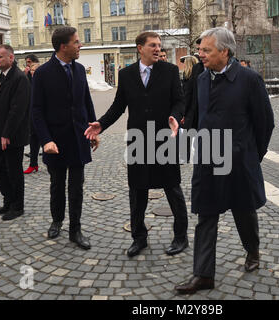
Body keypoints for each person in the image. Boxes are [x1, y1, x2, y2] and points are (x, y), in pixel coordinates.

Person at [175, 27, 274, 295]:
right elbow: (197, 116)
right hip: (207, 161)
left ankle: (252, 250)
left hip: (239, 162)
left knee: (244, 211)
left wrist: (253, 156)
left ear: (224, 51)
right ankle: (203, 275)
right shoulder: (201, 79)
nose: (200, 54)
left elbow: (265, 123)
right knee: (206, 216)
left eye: (206, 50)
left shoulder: (249, 79)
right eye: (200, 49)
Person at [85, 31, 188, 257]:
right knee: (137, 190)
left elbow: (180, 100)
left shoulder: (170, 71)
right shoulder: (127, 74)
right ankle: (139, 238)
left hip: (164, 139)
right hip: (138, 140)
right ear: (139, 48)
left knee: (172, 188)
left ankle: (181, 237)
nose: (157, 49)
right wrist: (100, 125)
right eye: (152, 45)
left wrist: (174, 116)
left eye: (159, 45)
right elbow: (118, 106)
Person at [31, 27, 98, 250]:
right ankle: (57, 220)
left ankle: (75, 230)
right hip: (55, 142)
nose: (80, 45)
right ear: (63, 46)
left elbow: (86, 102)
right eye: (77, 42)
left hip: (78, 137)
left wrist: (93, 129)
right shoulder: (42, 73)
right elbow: (36, 111)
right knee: (57, 184)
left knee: (77, 186)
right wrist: (45, 140)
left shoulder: (79, 70)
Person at [0, 44, 30, 221]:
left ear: (11, 58)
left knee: (13, 171)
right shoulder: (1, 78)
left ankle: (17, 206)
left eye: (0, 57)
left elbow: (17, 110)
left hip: (12, 136)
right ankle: (8, 200)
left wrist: (6, 134)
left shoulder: (19, 78)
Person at [24, 62, 41, 174]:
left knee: (47, 141)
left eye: (35, 70)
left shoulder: (44, 82)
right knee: (34, 141)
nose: (32, 72)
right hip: (31, 116)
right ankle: (33, 164)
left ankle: (57, 162)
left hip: (43, 116)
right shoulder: (27, 82)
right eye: (31, 70)